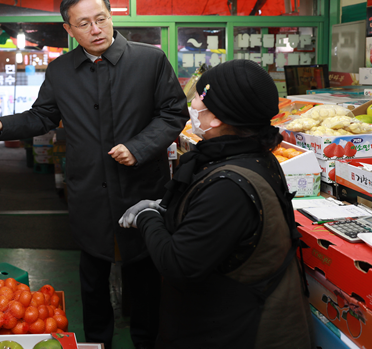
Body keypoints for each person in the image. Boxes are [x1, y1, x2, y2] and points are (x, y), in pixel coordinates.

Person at [0, 0, 188, 349]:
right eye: (84, 24)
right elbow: (44, 116)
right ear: (70, 29)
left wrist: (139, 147)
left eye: (101, 19)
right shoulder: (62, 69)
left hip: (142, 186)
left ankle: (146, 340)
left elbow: (174, 113)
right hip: (89, 188)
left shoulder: (149, 61)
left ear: (111, 17)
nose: (96, 29)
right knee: (93, 274)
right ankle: (97, 342)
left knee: (144, 273)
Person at [119, 59, 314, 348]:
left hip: (235, 331)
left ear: (217, 119)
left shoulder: (228, 187)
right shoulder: (252, 155)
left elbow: (177, 264)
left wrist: (148, 216)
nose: (193, 104)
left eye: (198, 97)